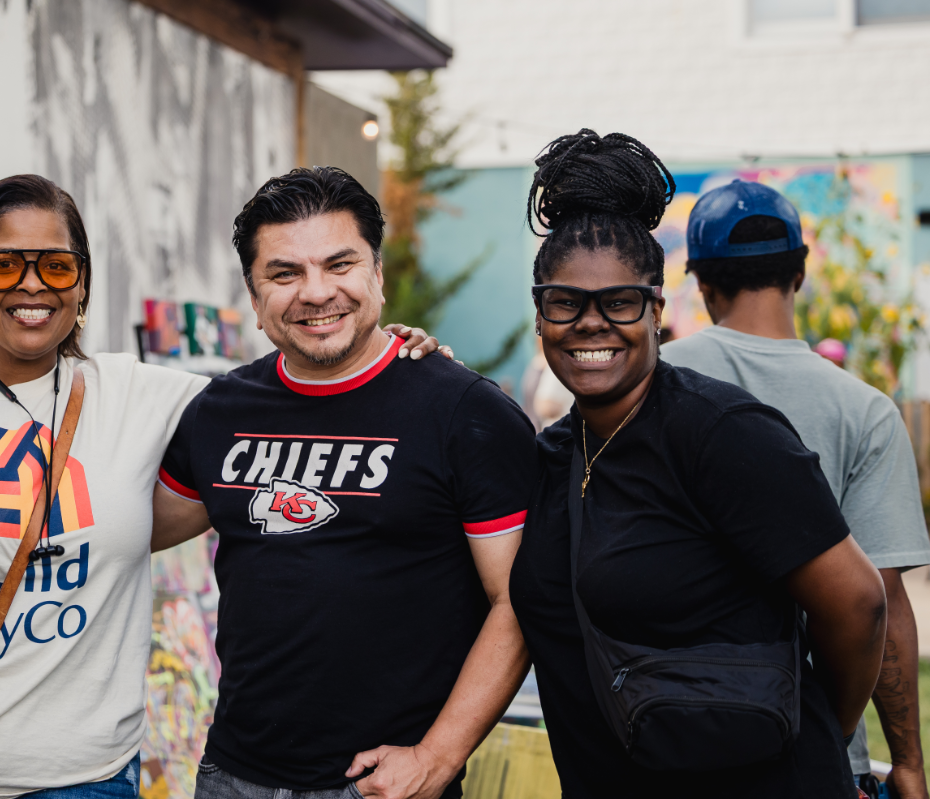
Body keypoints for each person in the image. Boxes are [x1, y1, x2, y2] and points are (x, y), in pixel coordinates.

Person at [0, 172, 446, 799]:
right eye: (5, 265)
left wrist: (388, 346)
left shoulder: (149, 396)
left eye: (57, 265)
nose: (33, 285)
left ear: (84, 280)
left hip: (82, 777)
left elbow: (296, 383)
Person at [508, 130, 887, 798]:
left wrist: (821, 723)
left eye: (619, 302)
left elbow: (858, 603)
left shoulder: (721, 433)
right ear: (541, 315)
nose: (590, 323)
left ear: (656, 310)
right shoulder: (554, 455)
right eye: (566, 302)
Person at [151, 166, 536, 799]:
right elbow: (123, 529)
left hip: (383, 784)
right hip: (232, 776)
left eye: (339, 265)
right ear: (253, 296)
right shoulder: (219, 411)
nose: (315, 292)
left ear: (377, 275)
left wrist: (436, 758)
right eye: (284, 273)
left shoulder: (465, 413)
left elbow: (519, 600)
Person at [662, 179, 930, 798]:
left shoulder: (652, 382)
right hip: (813, 745)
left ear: (701, 283)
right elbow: (881, 601)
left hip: (662, 730)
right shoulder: (864, 411)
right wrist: (909, 765)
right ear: (799, 274)